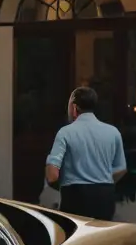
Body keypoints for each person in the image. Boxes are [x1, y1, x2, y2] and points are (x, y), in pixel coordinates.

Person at [45, 86, 127, 220]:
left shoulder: (65, 133)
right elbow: (121, 169)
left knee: (78, 239)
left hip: (75, 197)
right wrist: (102, 180)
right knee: (102, 239)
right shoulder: (113, 132)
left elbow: (52, 175)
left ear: (74, 108)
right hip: (105, 197)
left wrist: (61, 183)